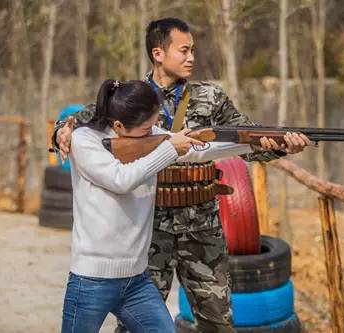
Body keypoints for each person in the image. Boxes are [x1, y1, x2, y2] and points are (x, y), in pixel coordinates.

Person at [53, 18, 310, 333]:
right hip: (148, 229)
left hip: (201, 224)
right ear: (158, 53)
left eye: (193, 51)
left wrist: (279, 145)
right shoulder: (131, 99)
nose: (192, 58)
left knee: (217, 321)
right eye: (184, 50)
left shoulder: (211, 98)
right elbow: (81, 123)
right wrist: (60, 132)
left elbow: (245, 139)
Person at [63, 78, 260, 333]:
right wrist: (169, 149)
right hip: (91, 280)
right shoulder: (84, 140)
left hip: (136, 280)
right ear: (119, 125)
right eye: (147, 128)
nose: (154, 131)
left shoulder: (149, 134)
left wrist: (255, 142)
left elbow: (199, 149)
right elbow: (121, 179)